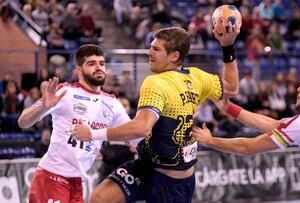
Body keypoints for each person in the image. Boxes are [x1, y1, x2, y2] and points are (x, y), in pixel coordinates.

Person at [73, 24, 240, 203]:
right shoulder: (197, 77)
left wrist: (92, 134)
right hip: (147, 167)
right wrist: (227, 47)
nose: (149, 52)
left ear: (174, 56)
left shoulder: (156, 82)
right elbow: (232, 87)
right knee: (99, 198)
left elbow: (142, 128)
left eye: (156, 49)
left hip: (171, 182)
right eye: (151, 47)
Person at [193, 66, 300, 202]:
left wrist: (211, 140)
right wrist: (228, 107)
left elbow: (248, 147)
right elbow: (275, 126)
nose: (298, 88)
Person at [17, 44, 131, 203]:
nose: (98, 67)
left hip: (77, 182)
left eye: (101, 63)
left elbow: (134, 133)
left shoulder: (112, 103)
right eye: (91, 64)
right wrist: (43, 107)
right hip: (52, 176)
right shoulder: (65, 92)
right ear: (79, 70)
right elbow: (23, 121)